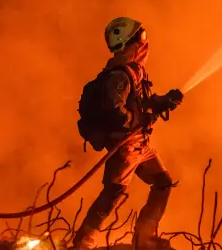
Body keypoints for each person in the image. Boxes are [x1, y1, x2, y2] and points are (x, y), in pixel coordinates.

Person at [73, 17, 184, 249]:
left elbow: (139, 101)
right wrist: (139, 119)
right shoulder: (119, 76)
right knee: (113, 192)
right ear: (129, 43)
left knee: (163, 182)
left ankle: (145, 237)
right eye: (142, 38)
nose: (146, 43)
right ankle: (83, 242)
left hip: (139, 145)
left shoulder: (135, 72)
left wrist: (163, 101)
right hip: (124, 146)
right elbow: (114, 109)